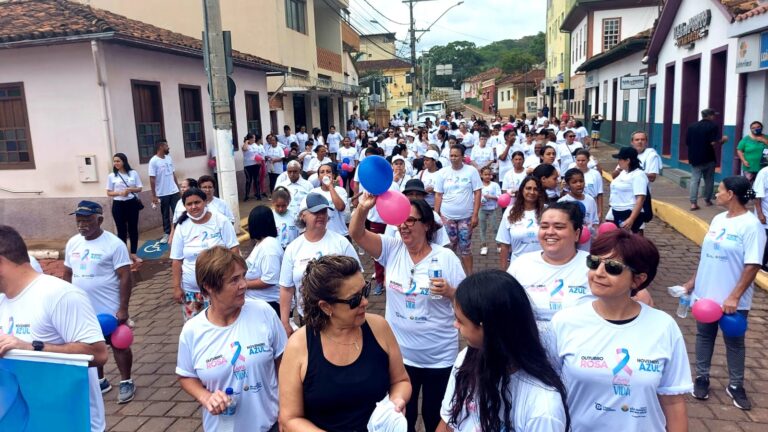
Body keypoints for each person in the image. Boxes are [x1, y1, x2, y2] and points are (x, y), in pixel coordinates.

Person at [551, 230, 691, 431]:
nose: (599, 272)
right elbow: (548, 390)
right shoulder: (565, 321)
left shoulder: (664, 326)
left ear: (638, 279)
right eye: (593, 262)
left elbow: (673, 401)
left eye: (613, 267)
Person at [351, 195, 465, 432]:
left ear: (426, 225)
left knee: (436, 419)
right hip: (400, 357)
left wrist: (451, 292)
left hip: (439, 357)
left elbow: (468, 303)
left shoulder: (446, 258)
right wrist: (363, 207)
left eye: (411, 220)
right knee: (402, 419)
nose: (403, 225)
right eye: (400, 220)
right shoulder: (392, 249)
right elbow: (357, 233)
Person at [279, 255, 411, 431]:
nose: (365, 302)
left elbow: (401, 380)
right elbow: (289, 418)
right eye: (354, 300)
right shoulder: (299, 345)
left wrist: (396, 401)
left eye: (365, 291)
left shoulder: (379, 327)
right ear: (326, 307)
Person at [0, 225, 108, 432]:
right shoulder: (3, 300)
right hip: (30, 419)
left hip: (73, 421)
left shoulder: (60, 295)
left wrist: (33, 347)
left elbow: (99, 354)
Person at [439, 270, 570, 432]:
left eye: (460, 321)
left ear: (486, 328)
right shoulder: (466, 359)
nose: (455, 325)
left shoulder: (543, 408)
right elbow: (448, 423)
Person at [176, 246, 286, 432]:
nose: (244, 284)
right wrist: (205, 396)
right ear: (209, 287)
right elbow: (186, 376)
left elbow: (284, 363)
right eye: (234, 280)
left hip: (271, 424)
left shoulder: (264, 312)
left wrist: (287, 410)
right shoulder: (192, 332)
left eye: (243, 276)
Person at [684, 176, 766, 410]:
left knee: (735, 342)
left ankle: (736, 385)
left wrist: (734, 297)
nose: (716, 194)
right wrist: (693, 282)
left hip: (732, 300)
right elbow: (706, 256)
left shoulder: (751, 226)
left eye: (720, 190)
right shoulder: (718, 218)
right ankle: (701, 378)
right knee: (704, 336)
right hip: (706, 296)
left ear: (731, 194)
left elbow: (753, 265)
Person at [63, 201, 135, 403]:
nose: (82, 225)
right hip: (83, 309)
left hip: (109, 308)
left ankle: (126, 381)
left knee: (119, 344)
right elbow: (68, 273)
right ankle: (101, 380)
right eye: (79, 221)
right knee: (91, 346)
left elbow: (125, 276)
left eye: (87, 220)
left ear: (100, 219)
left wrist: (123, 308)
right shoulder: (72, 243)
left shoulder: (114, 244)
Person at [507, 202, 595, 350]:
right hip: (529, 354)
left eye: (559, 227)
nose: (550, 232)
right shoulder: (521, 264)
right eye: (544, 226)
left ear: (577, 234)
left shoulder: (594, 267)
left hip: (581, 352)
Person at [279, 193, 360, 336]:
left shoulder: (341, 243)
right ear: (303, 215)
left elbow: (357, 277)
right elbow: (286, 288)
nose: (321, 215)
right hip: (308, 318)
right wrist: (284, 322)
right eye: (315, 212)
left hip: (339, 316)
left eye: (324, 211)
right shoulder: (293, 248)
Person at [170, 188, 240, 321]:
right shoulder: (182, 226)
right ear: (184, 206)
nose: (194, 207)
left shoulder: (221, 221)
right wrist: (177, 287)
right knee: (192, 328)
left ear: (205, 202)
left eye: (197, 202)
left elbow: (234, 250)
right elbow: (176, 260)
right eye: (189, 204)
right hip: (191, 291)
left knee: (220, 324)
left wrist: (232, 279)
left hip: (218, 288)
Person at [435, 144, 483, 275]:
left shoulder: (471, 171)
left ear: (463, 156)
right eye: (451, 155)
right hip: (447, 217)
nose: (453, 158)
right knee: (449, 248)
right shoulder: (442, 173)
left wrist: (475, 214)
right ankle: (452, 274)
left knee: (465, 248)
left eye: (456, 155)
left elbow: (477, 192)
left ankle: (469, 276)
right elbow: (438, 194)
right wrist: (436, 214)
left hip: (466, 217)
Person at [382, 179, 450, 246]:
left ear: (424, 197)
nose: (414, 197)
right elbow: (388, 241)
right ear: (405, 196)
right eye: (410, 194)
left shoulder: (434, 216)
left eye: (418, 194)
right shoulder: (395, 215)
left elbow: (442, 243)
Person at [496, 176, 545, 269]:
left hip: (543, 267)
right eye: (528, 188)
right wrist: (503, 272)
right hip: (518, 267)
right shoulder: (510, 211)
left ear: (539, 192)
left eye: (536, 189)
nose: (532, 192)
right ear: (522, 190)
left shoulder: (547, 211)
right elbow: (504, 245)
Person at [245, 206, 284, 317]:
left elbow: (269, 280)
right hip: (260, 303)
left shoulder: (269, 247)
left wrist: (244, 284)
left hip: (269, 305)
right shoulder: (261, 243)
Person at [687, 109, 729, 210]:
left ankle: (693, 203)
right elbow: (714, 142)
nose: (714, 117)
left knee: (694, 180)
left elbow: (687, 142)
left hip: (694, 157)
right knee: (709, 180)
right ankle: (707, 200)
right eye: (713, 115)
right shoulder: (713, 126)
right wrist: (723, 140)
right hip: (708, 157)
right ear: (710, 116)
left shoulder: (692, 126)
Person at [106, 153, 143, 261]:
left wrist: (130, 190)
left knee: (133, 229)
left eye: (118, 161)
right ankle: (124, 255)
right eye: (115, 161)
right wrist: (119, 193)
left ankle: (134, 253)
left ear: (124, 161)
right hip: (118, 205)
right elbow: (109, 192)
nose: (116, 163)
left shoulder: (133, 173)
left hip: (131, 203)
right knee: (121, 230)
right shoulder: (112, 176)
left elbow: (139, 188)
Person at [608, 147, 648, 233]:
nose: (618, 162)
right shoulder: (623, 172)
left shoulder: (638, 175)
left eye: (620, 159)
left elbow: (640, 199)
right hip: (618, 210)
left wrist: (631, 219)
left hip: (628, 211)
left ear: (628, 160)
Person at [148, 139, 180, 243]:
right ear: (161, 147)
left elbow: (173, 174)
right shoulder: (153, 161)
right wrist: (154, 195)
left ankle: (179, 232)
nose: (168, 147)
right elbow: (152, 178)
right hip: (162, 193)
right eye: (166, 145)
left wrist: (178, 188)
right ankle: (167, 233)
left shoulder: (169, 158)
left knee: (178, 212)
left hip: (174, 191)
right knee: (165, 214)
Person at [559, 169, 599, 250]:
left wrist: (595, 236)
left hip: (587, 245)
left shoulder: (590, 200)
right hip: (569, 245)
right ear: (567, 185)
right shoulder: (563, 202)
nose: (579, 184)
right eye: (574, 182)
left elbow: (595, 222)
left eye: (581, 181)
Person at [308, 163, 349, 237]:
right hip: (321, 235)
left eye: (328, 171)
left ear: (333, 176)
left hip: (340, 233)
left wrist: (330, 186)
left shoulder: (341, 191)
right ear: (319, 177)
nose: (325, 174)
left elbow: (340, 207)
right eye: (322, 172)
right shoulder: (313, 192)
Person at [574, 149, 604, 220]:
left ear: (588, 160)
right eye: (578, 160)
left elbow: (600, 193)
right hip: (576, 206)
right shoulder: (572, 173)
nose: (580, 162)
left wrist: (600, 212)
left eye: (583, 160)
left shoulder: (595, 174)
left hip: (591, 206)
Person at [478, 167, 501, 256]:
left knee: (495, 228)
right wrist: (479, 202)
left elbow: (499, 197)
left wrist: (490, 197)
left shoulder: (495, 185)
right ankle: (484, 246)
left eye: (489, 174)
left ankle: (498, 245)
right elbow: (474, 197)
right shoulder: (479, 185)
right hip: (482, 210)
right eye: (485, 174)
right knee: (482, 228)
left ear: (491, 175)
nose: (487, 176)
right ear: (481, 175)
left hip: (493, 209)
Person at [242, 133, 264, 201]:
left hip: (256, 164)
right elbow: (244, 149)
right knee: (248, 180)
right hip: (248, 165)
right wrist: (246, 141)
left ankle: (258, 195)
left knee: (256, 180)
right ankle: (246, 195)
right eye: (253, 138)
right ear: (250, 139)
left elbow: (260, 154)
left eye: (254, 138)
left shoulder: (256, 146)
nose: (254, 139)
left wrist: (260, 160)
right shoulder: (245, 145)